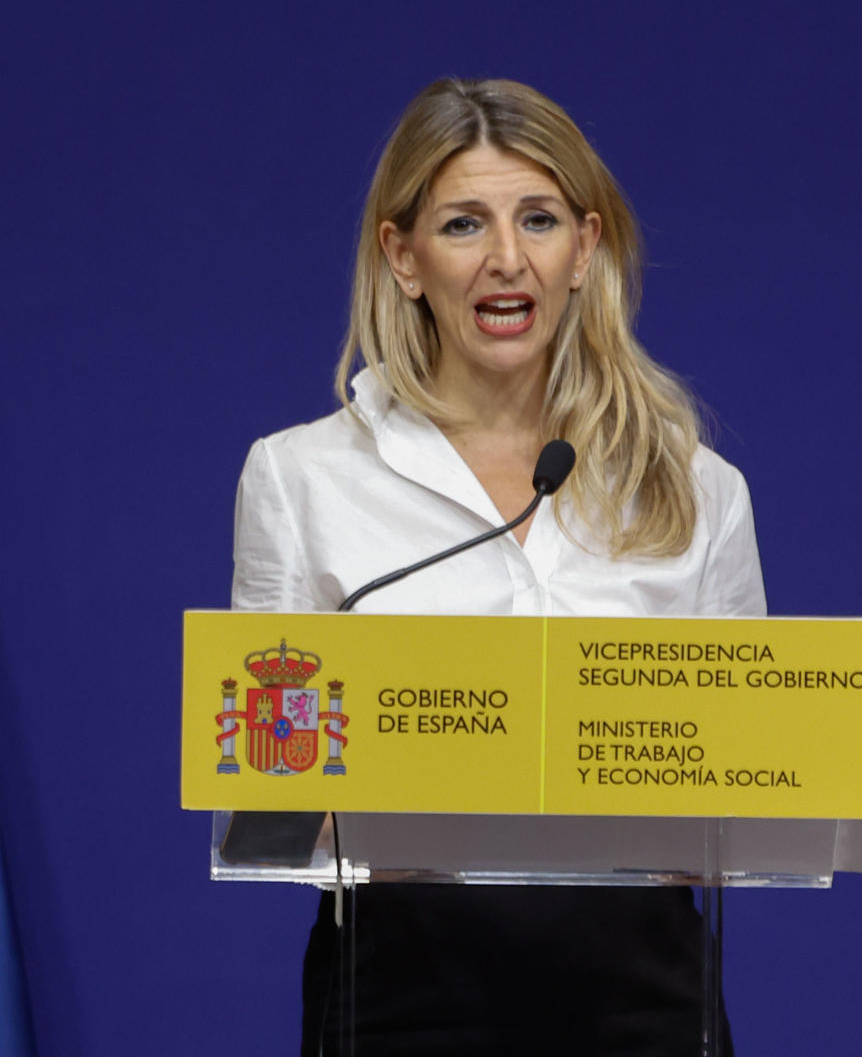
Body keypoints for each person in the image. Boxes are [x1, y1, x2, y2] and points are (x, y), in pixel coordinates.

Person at [230, 78, 765, 1056]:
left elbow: (747, 789)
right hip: (402, 991)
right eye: (465, 222)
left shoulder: (695, 485)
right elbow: (265, 805)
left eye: (540, 219)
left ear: (585, 250)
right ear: (403, 256)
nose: (507, 258)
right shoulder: (300, 477)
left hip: (641, 995)